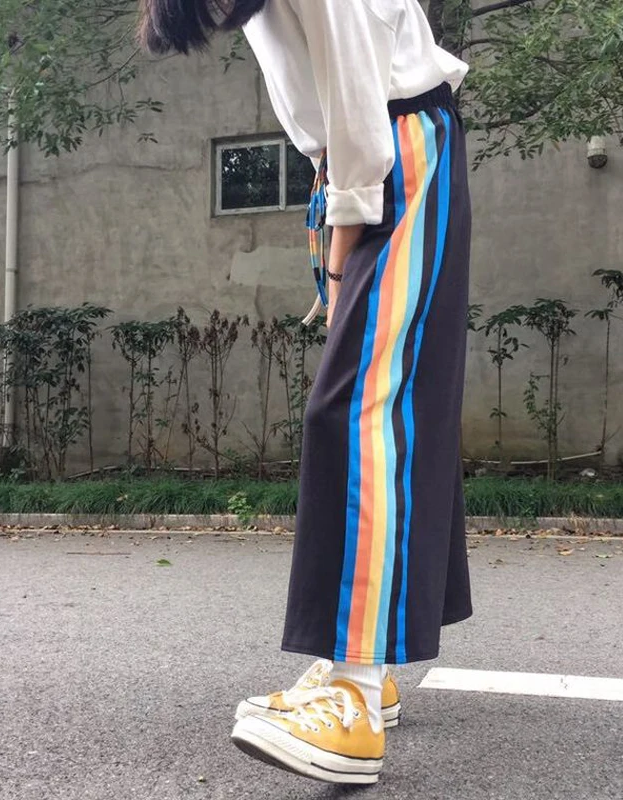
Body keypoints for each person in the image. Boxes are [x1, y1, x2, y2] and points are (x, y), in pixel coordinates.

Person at [137, 0, 473, 785]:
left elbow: (356, 92)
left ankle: (353, 701)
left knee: (358, 410)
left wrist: (340, 251)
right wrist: (333, 207)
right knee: (387, 403)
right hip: (372, 153)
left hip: (395, 151)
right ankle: (367, 661)